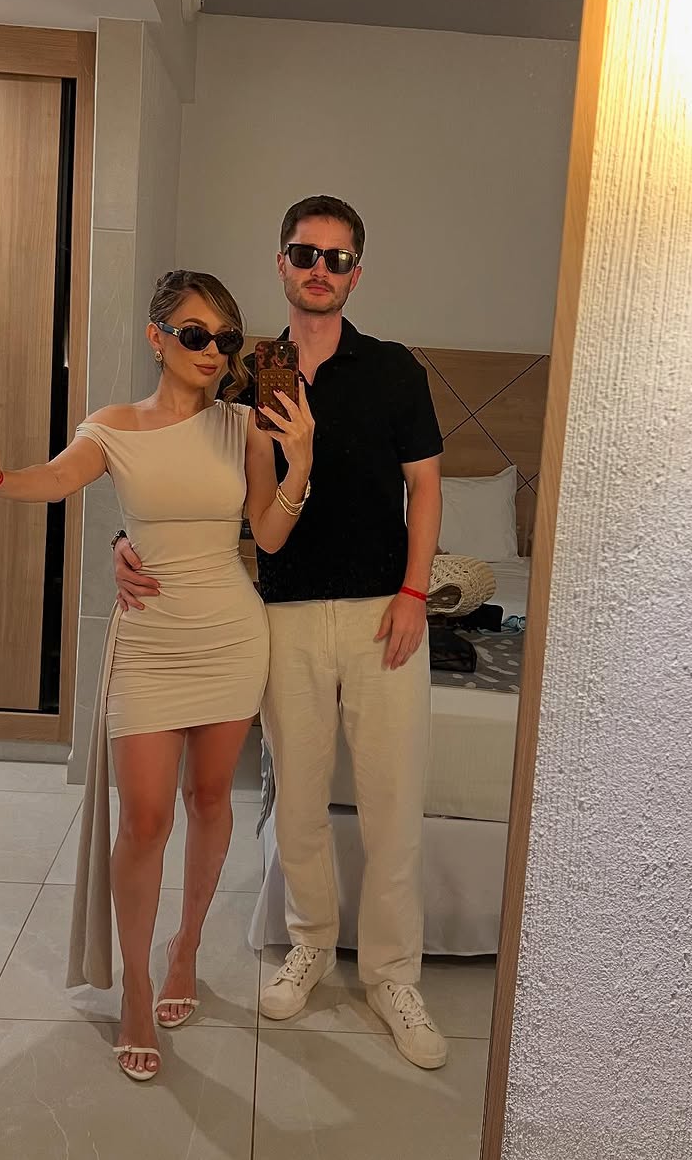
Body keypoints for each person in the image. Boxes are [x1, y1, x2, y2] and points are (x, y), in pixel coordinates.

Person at [113, 197, 449, 1070]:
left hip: (383, 614)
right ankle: (309, 944)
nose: (320, 269)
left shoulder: (393, 370)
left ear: (356, 273)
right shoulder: (244, 371)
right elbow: (171, 466)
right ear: (282, 263)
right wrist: (124, 539)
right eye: (306, 253)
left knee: (391, 806)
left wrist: (417, 592)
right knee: (296, 802)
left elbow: (425, 487)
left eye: (337, 258)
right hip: (281, 615)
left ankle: (393, 977)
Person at [0, 270, 314, 1084]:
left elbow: (268, 535)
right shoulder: (112, 427)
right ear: (158, 337)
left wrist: (298, 461)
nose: (212, 350)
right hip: (151, 642)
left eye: (225, 338)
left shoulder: (244, 426)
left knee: (209, 799)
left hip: (231, 635)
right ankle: (133, 985)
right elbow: (56, 479)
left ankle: (184, 946)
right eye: (194, 334)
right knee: (146, 818)